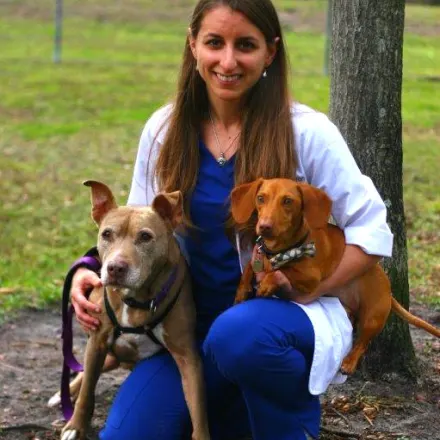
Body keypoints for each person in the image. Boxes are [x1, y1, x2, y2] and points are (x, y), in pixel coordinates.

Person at [69, 0, 393, 439]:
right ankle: (228, 405)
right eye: (214, 43)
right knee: (128, 434)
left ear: (270, 52)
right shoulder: (164, 129)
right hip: (184, 335)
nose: (228, 61)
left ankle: (286, 417)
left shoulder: (308, 133)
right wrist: (88, 270)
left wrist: (310, 286)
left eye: (245, 45)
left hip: (273, 326)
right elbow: (134, 227)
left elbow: (372, 233)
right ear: (192, 45)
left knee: (240, 336)